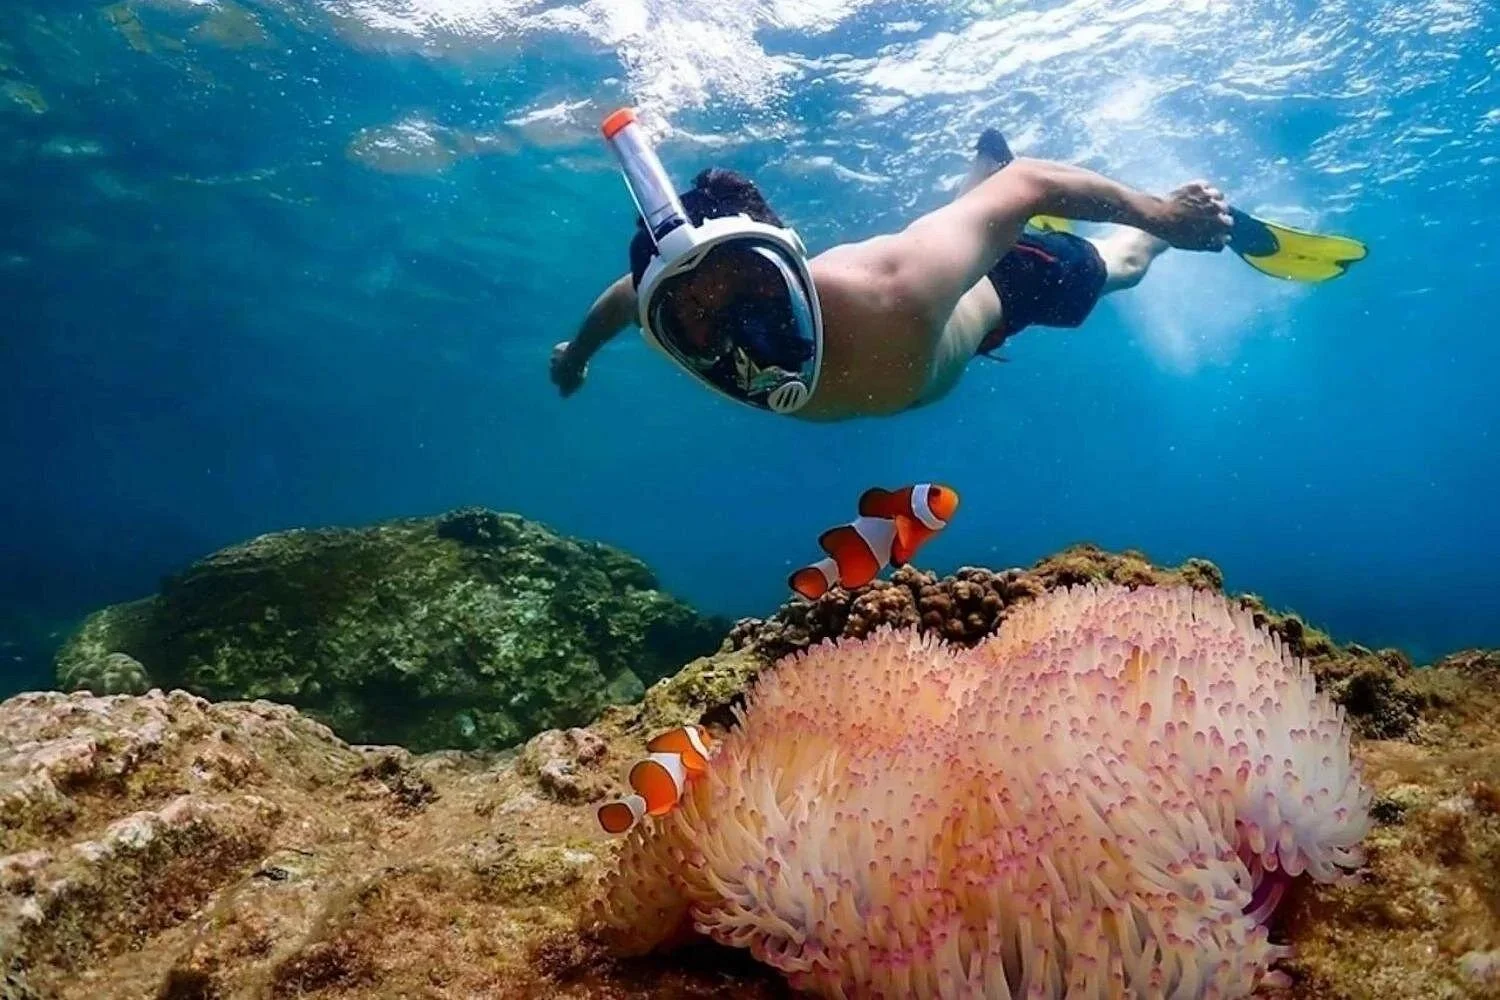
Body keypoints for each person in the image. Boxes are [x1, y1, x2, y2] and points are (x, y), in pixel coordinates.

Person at [551, 113, 1361, 420]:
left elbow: (1032, 182)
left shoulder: (895, 288)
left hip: (999, 293)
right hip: (946, 285)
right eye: (696, 317)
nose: (745, 336)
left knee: (1115, 268)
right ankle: (973, 197)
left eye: (758, 293)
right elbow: (622, 300)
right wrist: (575, 355)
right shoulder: (659, 309)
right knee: (972, 214)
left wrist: (1159, 217)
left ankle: (1138, 238)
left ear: (794, 264)